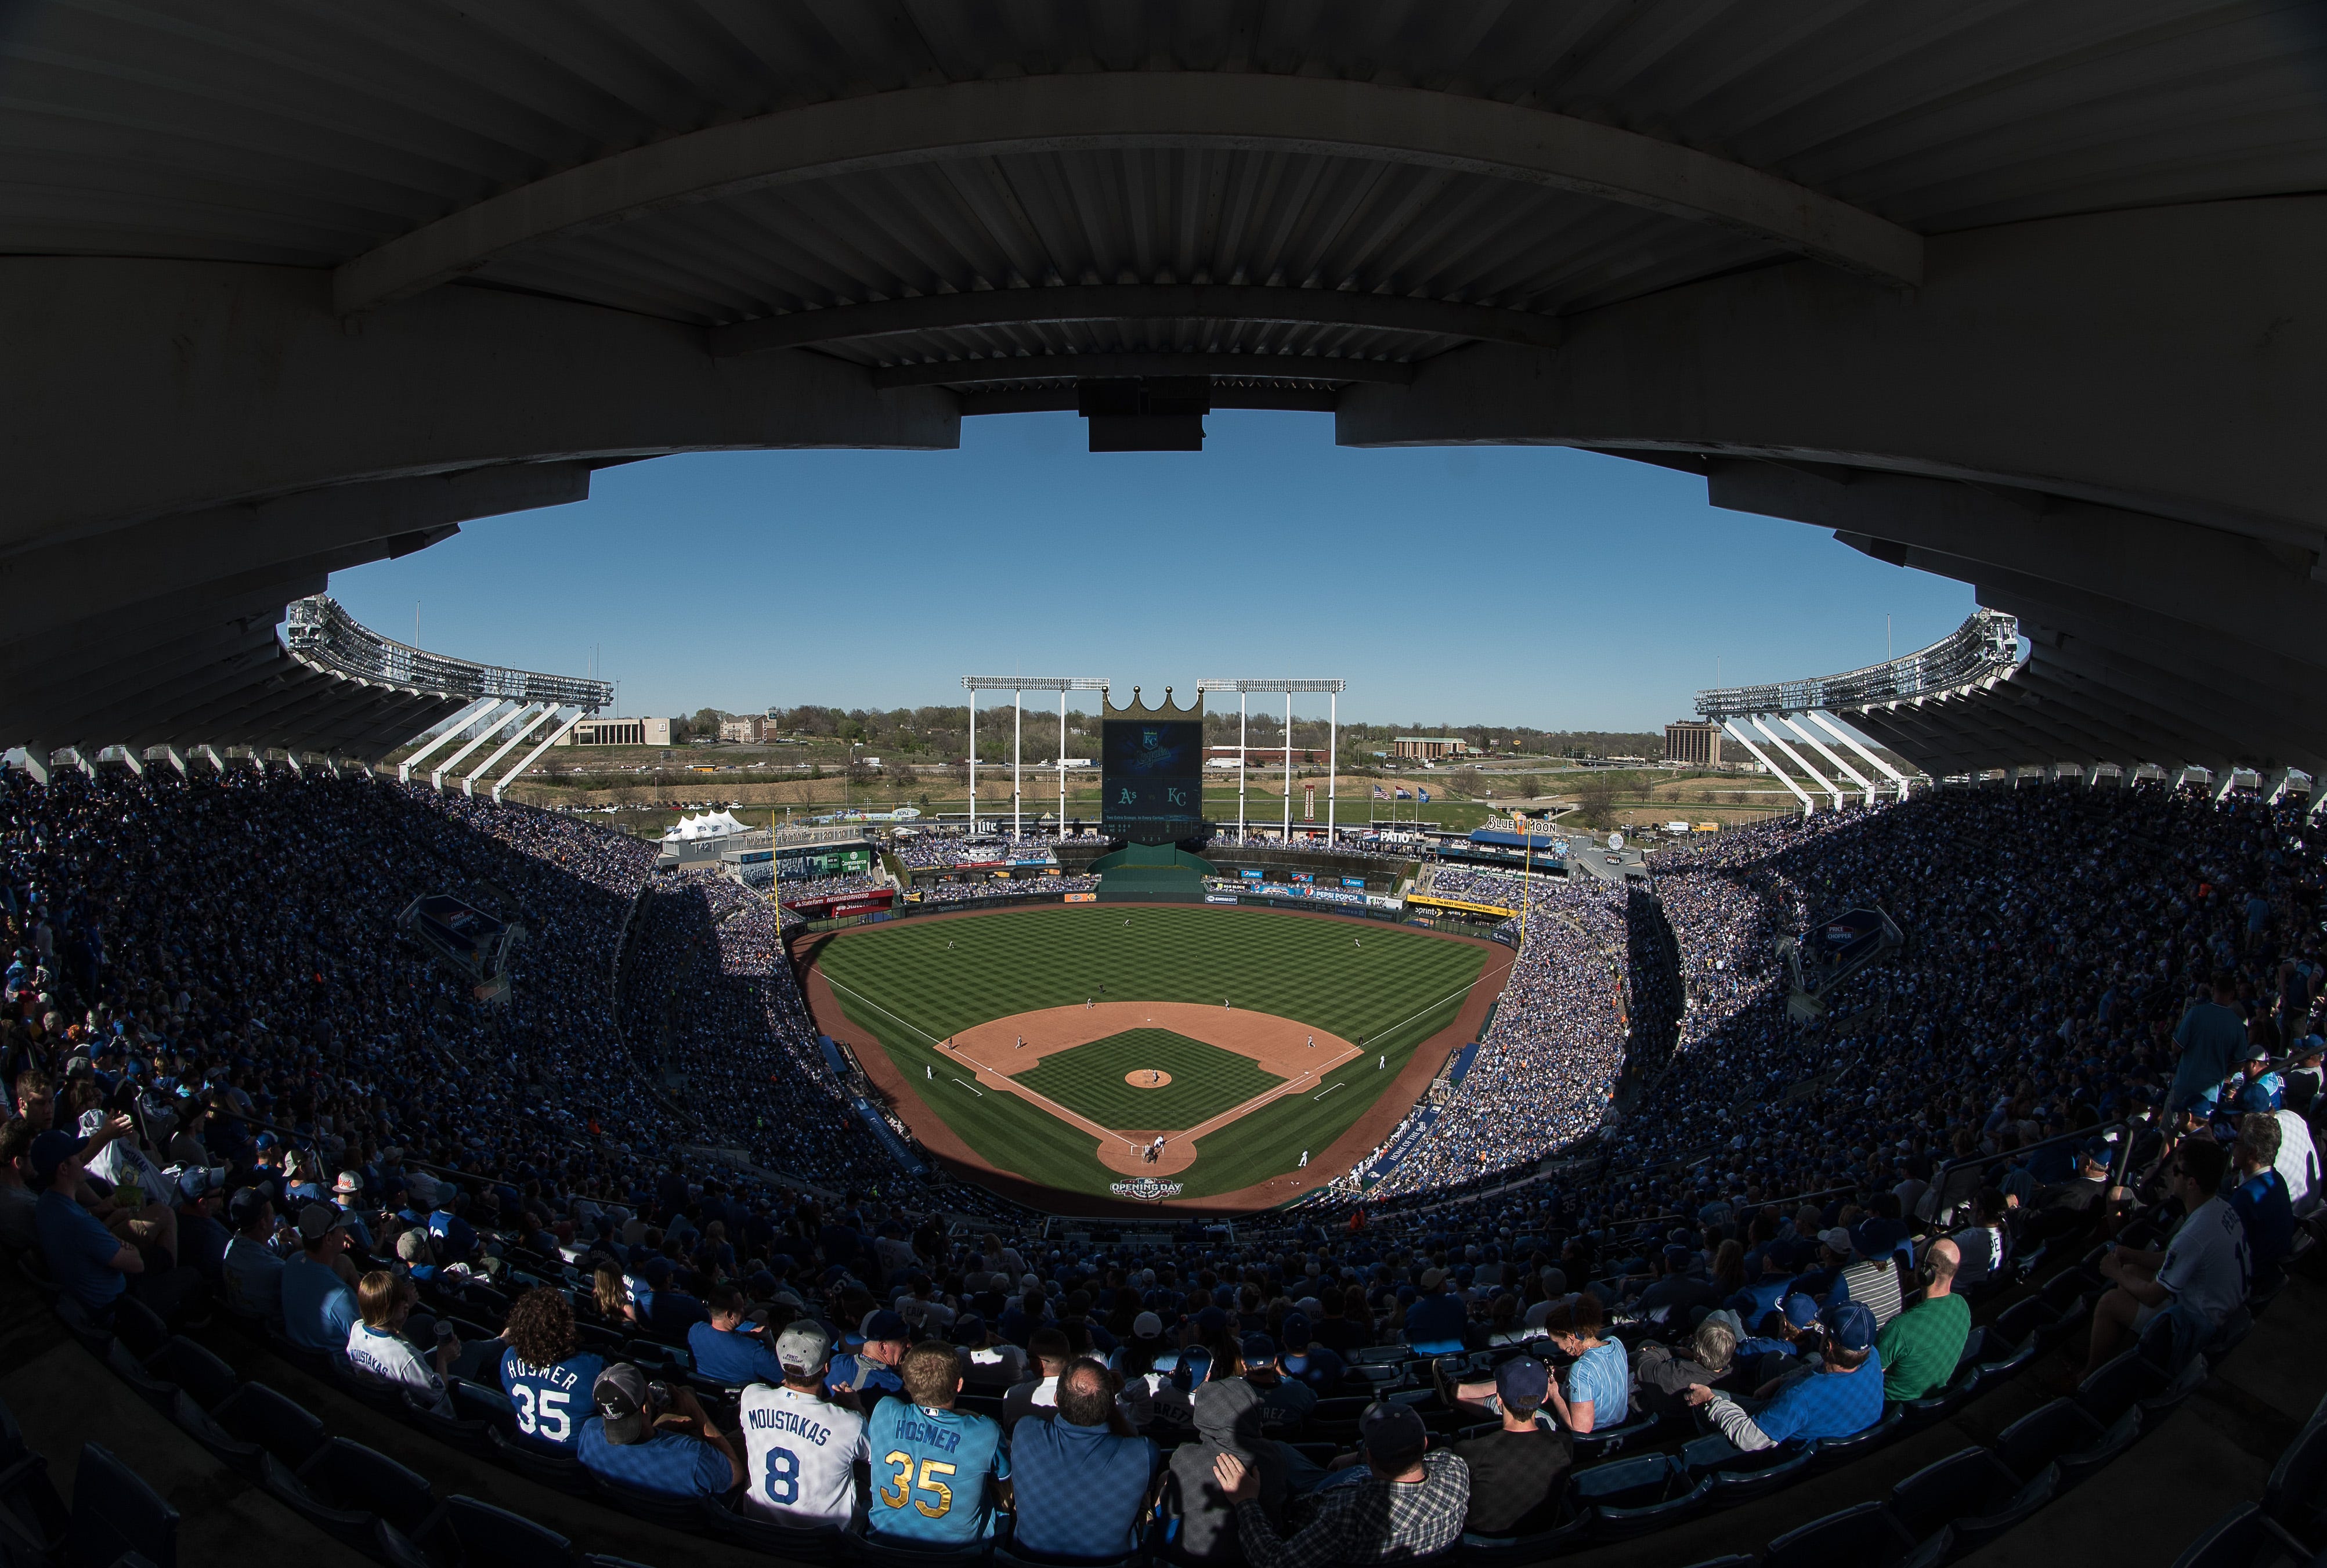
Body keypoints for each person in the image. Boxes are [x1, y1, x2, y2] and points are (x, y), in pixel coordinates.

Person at [1214, 1401, 1468, 1568]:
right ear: (1424, 1443)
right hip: (1358, 1481)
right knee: (1279, 1451)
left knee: (1277, 1451)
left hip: (1319, 1495)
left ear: (1371, 1455)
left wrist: (1245, 1501)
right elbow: (1438, 1456)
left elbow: (1273, 1562)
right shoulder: (1455, 1472)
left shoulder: (1346, 1515)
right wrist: (1356, 1458)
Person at [2082, 1139, 2249, 1377]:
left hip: (2199, 1328)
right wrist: (2132, 1255)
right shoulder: (2220, 1207)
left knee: (2110, 1301)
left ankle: (2087, 1376)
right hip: (2216, 1308)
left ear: (2191, 1183)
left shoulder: (2196, 1232)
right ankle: (2119, 1349)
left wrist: (2113, 1271)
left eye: (2178, 1171)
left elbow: (2153, 1296)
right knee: (2131, 1270)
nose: (2173, 1174)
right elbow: (2175, 1258)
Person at [1009, 1357, 1160, 1560]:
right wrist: (1112, 1406)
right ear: (1109, 1406)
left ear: (1056, 1399)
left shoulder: (1025, 1431)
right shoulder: (1143, 1453)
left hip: (1027, 1561)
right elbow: (1138, 1444)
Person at [863, 1341, 1010, 1546]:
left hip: (882, 1551)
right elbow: (1004, 1476)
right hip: (959, 1560)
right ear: (959, 1385)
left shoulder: (884, 1411)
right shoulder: (986, 1431)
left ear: (907, 1383)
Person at [1685, 1301, 1885, 1450]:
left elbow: (1751, 1438)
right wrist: (1779, 1381)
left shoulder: (1802, 1397)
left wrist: (1712, 1400)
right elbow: (1817, 1366)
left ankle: (1714, 1454)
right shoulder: (1871, 1357)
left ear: (1829, 1346)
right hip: (1832, 1419)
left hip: (1782, 1441)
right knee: (1773, 1360)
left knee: (1705, 1404)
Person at [738, 1319, 868, 1527]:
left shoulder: (751, 1397)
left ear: (781, 1363)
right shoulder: (850, 1423)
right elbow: (876, 1456)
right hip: (820, 1547)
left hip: (759, 1531)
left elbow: (797, 1411)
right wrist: (857, 1409)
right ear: (826, 1368)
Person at [577, 1361, 745, 1500]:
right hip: (688, 1526)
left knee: (687, 1391)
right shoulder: (694, 1456)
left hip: (634, 1508)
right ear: (646, 1409)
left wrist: (665, 1426)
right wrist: (697, 1413)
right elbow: (736, 1475)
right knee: (743, 1437)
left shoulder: (589, 1434)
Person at [1450, 1356, 1571, 1538]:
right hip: (1544, 1544)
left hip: (1487, 1552)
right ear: (1545, 1398)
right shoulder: (1564, 1445)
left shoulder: (1469, 1452)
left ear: (1499, 1401)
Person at [1166, 1376, 1281, 1565]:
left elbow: (1173, 1510)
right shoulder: (1273, 1455)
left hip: (1193, 1559)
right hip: (1254, 1560)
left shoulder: (1184, 1458)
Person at [30, 1128, 142, 1317]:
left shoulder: (46, 1202)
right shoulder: (79, 1223)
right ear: (63, 1168)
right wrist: (127, 1244)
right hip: (113, 1308)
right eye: (76, 1155)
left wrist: (103, 1210)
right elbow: (138, 1265)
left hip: (93, 1270)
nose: (82, 1159)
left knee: (139, 1198)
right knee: (165, 1215)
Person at [500, 1286, 606, 1451]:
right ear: (565, 1327)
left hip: (526, 1454)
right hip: (573, 1462)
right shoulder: (592, 1368)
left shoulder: (508, 1358)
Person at [346, 1271, 457, 1417]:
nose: (406, 1302)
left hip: (381, 1396)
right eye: (403, 1299)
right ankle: (498, 1341)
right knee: (475, 1348)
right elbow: (438, 1393)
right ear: (390, 1310)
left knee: (426, 1321)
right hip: (415, 1411)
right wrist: (443, 1358)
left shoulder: (357, 1328)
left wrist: (399, 1319)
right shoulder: (405, 1356)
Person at [1878, 1238, 1970, 1403]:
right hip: (1930, 1402)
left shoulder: (1899, 1328)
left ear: (1926, 1272)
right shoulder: (1963, 1306)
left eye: (1917, 1261)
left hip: (1890, 1406)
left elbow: (1869, 1374)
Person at [1540, 1294, 1627, 1434]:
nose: (1559, 1348)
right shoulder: (1617, 1344)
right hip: (1623, 1427)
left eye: (1557, 1343)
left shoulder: (1580, 1370)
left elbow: (1581, 1428)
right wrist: (1562, 1374)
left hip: (1594, 1440)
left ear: (1570, 1337)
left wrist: (1553, 1393)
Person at [281, 1202, 360, 1352]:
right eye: (340, 1228)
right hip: (338, 1365)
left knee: (344, 1261)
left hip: (301, 1348)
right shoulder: (341, 1297)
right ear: (329, 1239)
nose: (344, 1232)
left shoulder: (292, 1261)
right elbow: (371, 1342)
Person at [2228, 1114, 2295, 1288]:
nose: (2233, 1146)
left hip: (2243, 1282)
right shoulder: (2277, 1180)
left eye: (2238, 1141)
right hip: (2264, 1275)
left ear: (2252, 1152)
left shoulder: (2246, 1199)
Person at [1634, 1317, 1738, 1419]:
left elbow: (1643, 1363)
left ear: (1700, 1353)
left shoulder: (1676, 1374)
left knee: (1646, 1345)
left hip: (1661, 1412)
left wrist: (1674, 1351)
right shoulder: (1734, 1371)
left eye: (1694, 1342)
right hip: (1687, 1419)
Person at [2173, 974, 2248, 1114]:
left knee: (2174, 1130)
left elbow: (2176, 1047)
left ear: (2214, 990)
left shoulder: (2196, 1013)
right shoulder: (2237, 1024)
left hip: (2185, 1082)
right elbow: (2240, 1063)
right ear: (2232, 994)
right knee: (2199, 1131)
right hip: (2210, 1090)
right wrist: (2226, 1075)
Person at [689, 1281, 784, 1387]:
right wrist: (769, 1340)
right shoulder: (753, 1350)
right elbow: (784, 1377)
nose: (745, 1310)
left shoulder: (695, 1331)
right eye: (742, 1307)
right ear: (730, 1315)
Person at [219, 1187, 286, 1324]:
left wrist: (288, 1244)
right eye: (273, 1215)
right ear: (263, 1223)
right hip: (274, 1330)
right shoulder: (277, 1270)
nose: (275, 1219)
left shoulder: (231, 1248)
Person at [826, 1308, 907, 1408]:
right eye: (903, 1342)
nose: (909, 1345)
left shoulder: (836, 1362)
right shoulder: (898, 1387)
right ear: (883, 1347)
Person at [1401, 1269, 1466, 1355]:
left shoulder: (1413, 1310)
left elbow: (1408, 1334)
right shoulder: (1456, 1302)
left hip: (1425, 1362)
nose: (1446, 1283)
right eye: (1445, 1281)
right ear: (1441, 1286)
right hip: (1456, 1358)